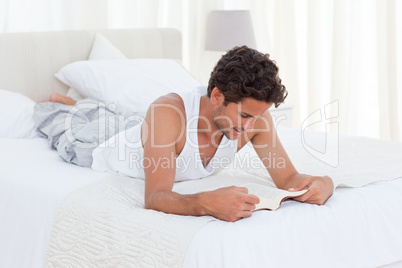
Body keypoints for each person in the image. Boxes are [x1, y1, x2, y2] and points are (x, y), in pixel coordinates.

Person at [34, 46, 334, 222]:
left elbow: (289, 179)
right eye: (244, 115)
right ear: (217, 96)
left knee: (124, 117)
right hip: (103, 142)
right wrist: (204, 202)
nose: (250, 126)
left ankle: (82, 103)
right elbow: (155, 197)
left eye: (258, 117)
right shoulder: (167, 113)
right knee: (64, 124)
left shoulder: (254, 120)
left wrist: (324, 183)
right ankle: (65, 105)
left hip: (145, 129)